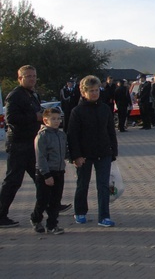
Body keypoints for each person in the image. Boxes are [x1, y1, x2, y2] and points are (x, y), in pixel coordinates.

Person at [67, 75, 118, 227]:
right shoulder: (77, 111)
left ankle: (104, 216)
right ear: (83, 93)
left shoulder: (105, 109)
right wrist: (76, 156)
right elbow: (72, 136)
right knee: (83, 184)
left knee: (103, 186)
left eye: (96, 90)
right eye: (91, 91)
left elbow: (111, 131)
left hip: (104, 152)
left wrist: (113, 151)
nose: (94, 93)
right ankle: (80, 211)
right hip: (84, 155)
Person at [0, 65, 44, 227]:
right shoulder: (15, 96)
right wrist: (35, 117)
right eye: (28, 76)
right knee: (13, 181)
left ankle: (49, 205)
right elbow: (11, 118)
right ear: (20, 78)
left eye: (34, 75)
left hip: (33, 143)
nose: (32, 79)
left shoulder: (33, 95)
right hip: (18, 144)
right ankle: (1, 214)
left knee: (42, 177)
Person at [31, 107, 67, 235]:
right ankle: (36, 219)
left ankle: (52, 224)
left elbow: (64, 152)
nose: (57, 121)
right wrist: (46, 175)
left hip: (59, 171)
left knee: (56, 200)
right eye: (53, 119)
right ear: (45, 120)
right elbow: (40, 157)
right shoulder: (42, 136)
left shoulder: (62, 135)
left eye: (58, 118)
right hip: (45, 173)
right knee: (43, 200)